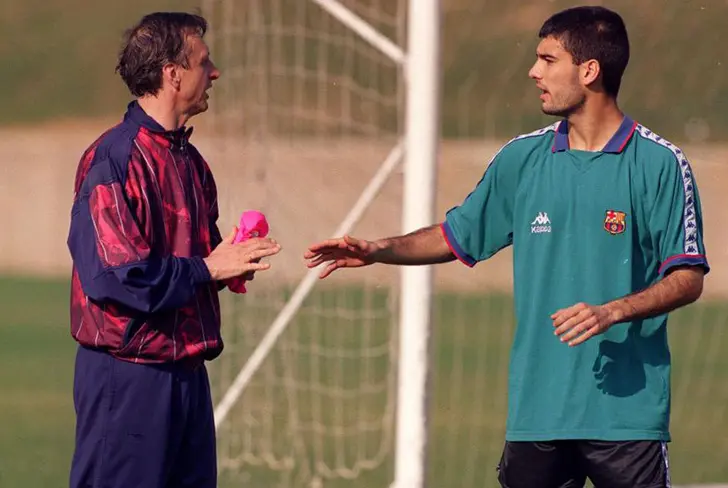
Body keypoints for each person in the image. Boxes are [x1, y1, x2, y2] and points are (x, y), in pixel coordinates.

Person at [304, 6, 708, 488]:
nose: (534, 71)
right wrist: (377, 249)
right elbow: (455, 235)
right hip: (536, 416)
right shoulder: (522, 158)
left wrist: (613, 311)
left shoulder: (659, 164)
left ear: (589, 71)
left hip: (626, 419)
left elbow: (687, 277)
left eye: (548, 60)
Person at [66, 12, 281, 488]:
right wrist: (206, 268)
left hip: (187, 372)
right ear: (172, 73)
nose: (215, 72)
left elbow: (194, 262)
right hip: (128, 377)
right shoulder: (114, 160)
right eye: (204, 62)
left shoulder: (191, 163)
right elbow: (116, 277)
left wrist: (229, 262)